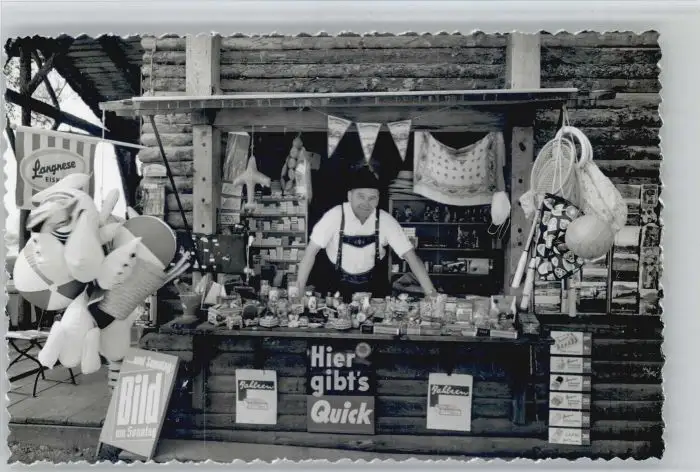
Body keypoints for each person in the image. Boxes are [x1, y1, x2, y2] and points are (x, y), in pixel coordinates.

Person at [296, 165, 437, 301]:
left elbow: (411, 257)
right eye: (361, 196)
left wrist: (432, 294)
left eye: (372, 198)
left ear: (378, 198)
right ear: (349, 196)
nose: (366, 203)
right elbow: (310, 253)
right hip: (336, 286)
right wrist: (298, 293)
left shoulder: (385, 220)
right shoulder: (334, 216)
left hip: (373, 288)